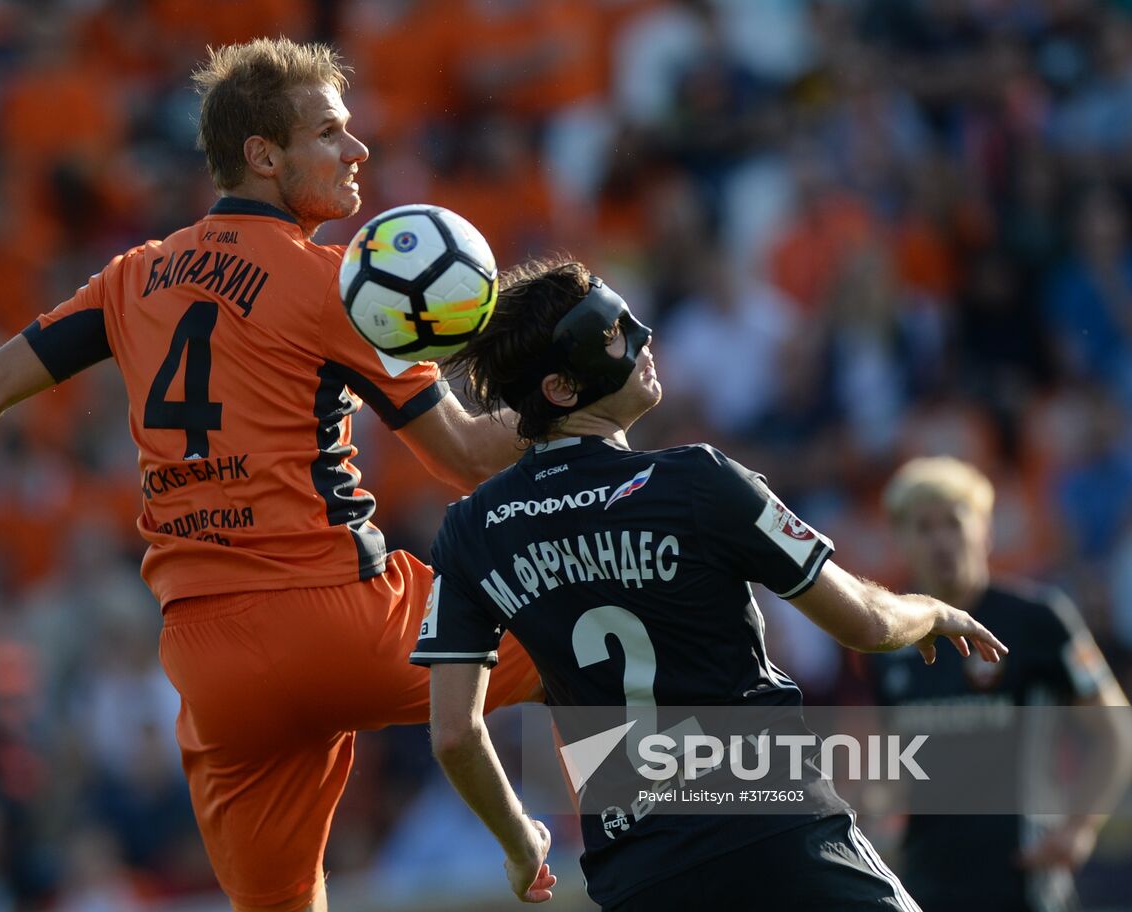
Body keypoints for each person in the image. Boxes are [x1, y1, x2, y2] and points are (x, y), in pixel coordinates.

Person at [0, 38, 543, 912]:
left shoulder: (133, 277)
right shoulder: (339, 284)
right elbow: (464, 457)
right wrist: (574, 394)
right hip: (339, 613)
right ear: (264, 155)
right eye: (331, 133)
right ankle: (704, 829)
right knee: (607, 595)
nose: (357, 150)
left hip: (209, 664)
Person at [411, 258, 1009, 909]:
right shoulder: (699, 480)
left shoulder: (470, 531)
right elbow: (865, 623)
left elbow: (454, 735)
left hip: (641, 876)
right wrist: (927, 609)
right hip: (779, 839)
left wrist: (519, 841)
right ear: (560, 388)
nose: (642, 336)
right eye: (610, 333)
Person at [863, 457, 1132, 912]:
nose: (941, 541)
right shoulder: (888, 641)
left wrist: (1078, 829)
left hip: (1024, 881)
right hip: (925, 886)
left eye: (953, 523)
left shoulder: (1038, 619)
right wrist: (874, 806)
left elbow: (1119, 734)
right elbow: (895, 762)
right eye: (923, 527)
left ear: (985, 530)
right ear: (900, 540)